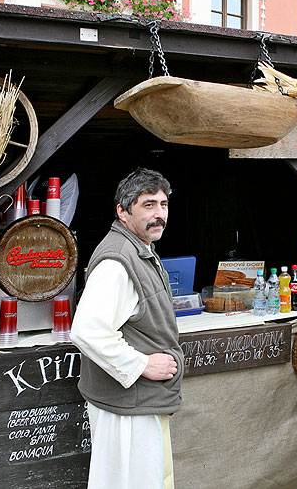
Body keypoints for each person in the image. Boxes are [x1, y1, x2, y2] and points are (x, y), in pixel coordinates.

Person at [70, 167, 182, 489]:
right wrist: (142, 363)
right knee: (127, 481)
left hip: (137, 400)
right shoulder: (116, 261)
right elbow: (87, 330)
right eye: (148, 205)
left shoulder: (140, 249)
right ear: (123, 211)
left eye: (163, 204)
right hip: (126, 402)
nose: (159, 213)